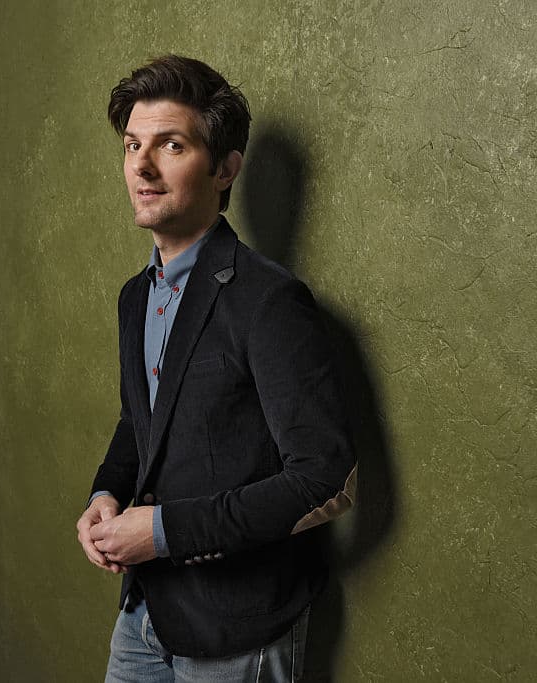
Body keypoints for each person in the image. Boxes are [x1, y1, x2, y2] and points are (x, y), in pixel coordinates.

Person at [75, 54, 356, 681]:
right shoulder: (135, 296)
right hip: (145, 610)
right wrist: (105, 494)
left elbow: (325, 478)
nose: (142, 166)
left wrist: (165, 532)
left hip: (239, 626)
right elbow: (141, 421)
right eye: (132, 145)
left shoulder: (270, 301)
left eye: (170, 145)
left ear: (226, 168)